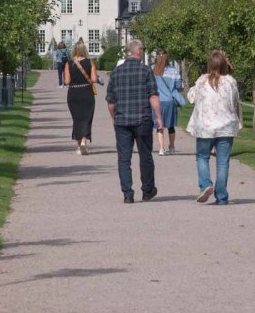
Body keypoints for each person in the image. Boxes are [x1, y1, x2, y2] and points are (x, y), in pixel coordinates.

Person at [105, 39, 162, 203]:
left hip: (122, 120)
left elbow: (111, 101)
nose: (143, 52)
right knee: (145, 156)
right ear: (138, 52)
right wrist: (159, 117)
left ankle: (128, 194)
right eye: (142, 50)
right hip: (142, 119)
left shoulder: (116, 72)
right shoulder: (146, 71)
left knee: (124, 159)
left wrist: (114, 117)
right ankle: (147, 190)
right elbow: (153, 96)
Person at [185, 50, 242, 205]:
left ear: (209, 65)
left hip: (205, 127)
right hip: (226, 127)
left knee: (202, 157)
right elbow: (235, 100)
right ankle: (221, 196)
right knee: (223, 162)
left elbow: (191, 98)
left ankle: (206, 184)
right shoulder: (231, 82)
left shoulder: (202, 80)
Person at [64, 40, 97, 155]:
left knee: (77, 119)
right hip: (87, 92)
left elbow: (67, 81)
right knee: (87, 118)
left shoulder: (68, 63)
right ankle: (83, 142)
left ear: (74, 50)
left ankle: (79, 146)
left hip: (73, 93)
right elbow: (94, 79)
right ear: (84, 50)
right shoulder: (90, 62)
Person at [152, 49, 185, 156]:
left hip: (158, 101)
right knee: (171, 126)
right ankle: (171, 147)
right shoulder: (173, 70)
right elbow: (178, 85)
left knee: (159, 125)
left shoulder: (153, 70)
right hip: (170, 101)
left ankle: (161, 148)